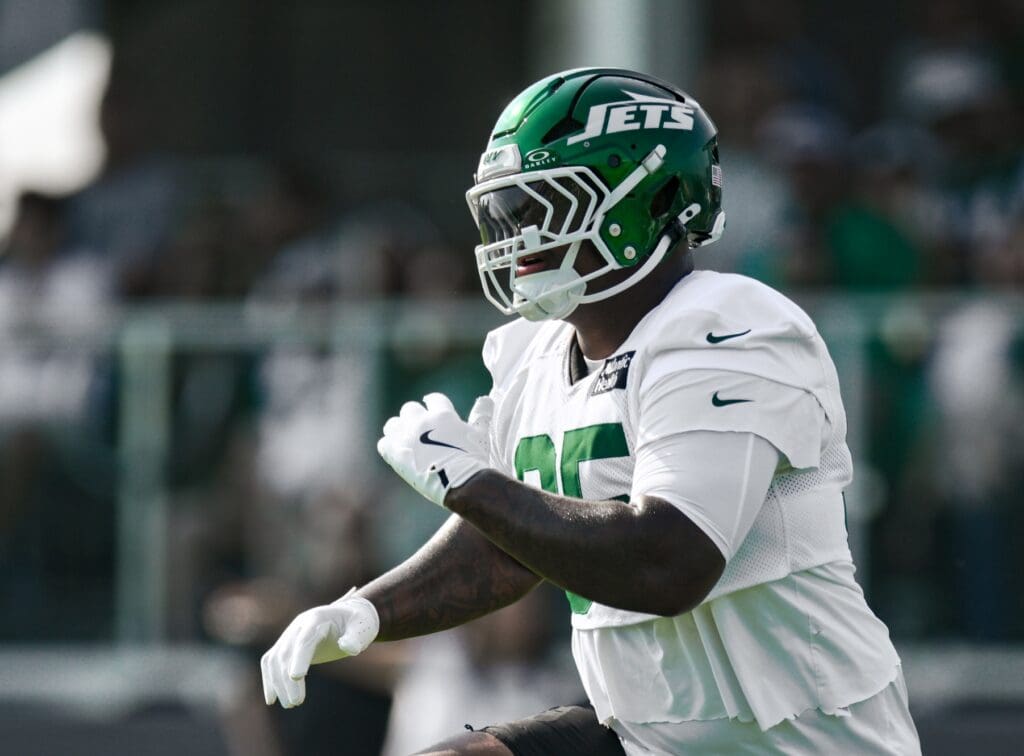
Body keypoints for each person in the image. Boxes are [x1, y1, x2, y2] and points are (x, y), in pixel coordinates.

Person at [261, 68, 921, 755]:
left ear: (648, 201)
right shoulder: (532, 354)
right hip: (647, 737)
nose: (513, 234)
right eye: (504, 211)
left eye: (543, 206)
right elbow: (513, 544)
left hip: (803, 742)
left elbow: (669, 564)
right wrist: (367, 609)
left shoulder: (729, 331)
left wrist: (471, 481)